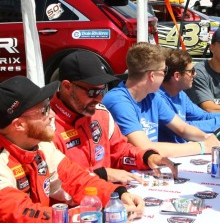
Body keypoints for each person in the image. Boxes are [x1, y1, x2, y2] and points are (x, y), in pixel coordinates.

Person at [0, 76, 144, 222]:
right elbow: (19, 213)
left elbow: (76, 179)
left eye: (48, 105)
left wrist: (116, 195)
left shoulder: (42, 147)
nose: (52, 115)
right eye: (44, 110)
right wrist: (84, 217)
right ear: (18, 125)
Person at [51, 50, 177, 185]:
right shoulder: (46, 125)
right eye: (92, 92)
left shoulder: (101, 114)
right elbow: (54, 182)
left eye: (102, 90)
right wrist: (100, 175)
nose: (99, 98)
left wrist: (146, 158)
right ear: (67, 86)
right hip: (75, 203)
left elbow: (120, 152)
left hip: (109, 196)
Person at [102, 42, 220, 158]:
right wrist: (203, 147)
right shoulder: (118, 101)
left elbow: (183, 128)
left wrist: (209, 139)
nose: (165, 76)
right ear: (152, 76)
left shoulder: (152, 96)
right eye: (164, 72)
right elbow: (145, 147)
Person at [158, 49, 220, 143]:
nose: (195, 74)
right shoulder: (158, 99)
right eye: (191, 71)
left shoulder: (180, 94)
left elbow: (202, 116)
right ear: (177, 75)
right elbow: (185, 127)